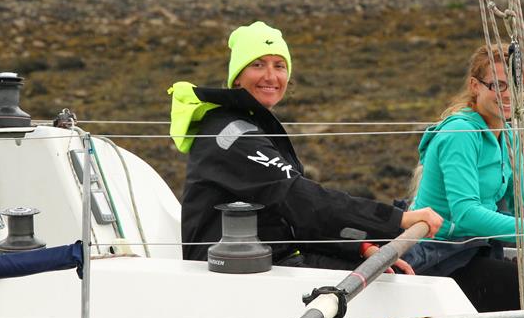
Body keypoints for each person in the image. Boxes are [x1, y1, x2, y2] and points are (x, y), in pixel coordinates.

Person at [168, 21, 442, 272]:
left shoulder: (252, 123)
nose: (271, 76)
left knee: (391, 277)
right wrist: (396, 220)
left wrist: (358, 246)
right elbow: (300, 198)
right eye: (258, 65)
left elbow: (294, 213)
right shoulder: (232, 135)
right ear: (237, 77)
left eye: (279, 65)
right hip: (228, 272)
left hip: (268, 258)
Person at [402, 44, 524, 312]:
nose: (510, 96)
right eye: (499, 85)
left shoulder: (508, 134)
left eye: (518, 87)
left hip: (476, 250)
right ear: (475, 86)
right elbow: (466, 214)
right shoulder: (459, 133)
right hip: (439, 260)